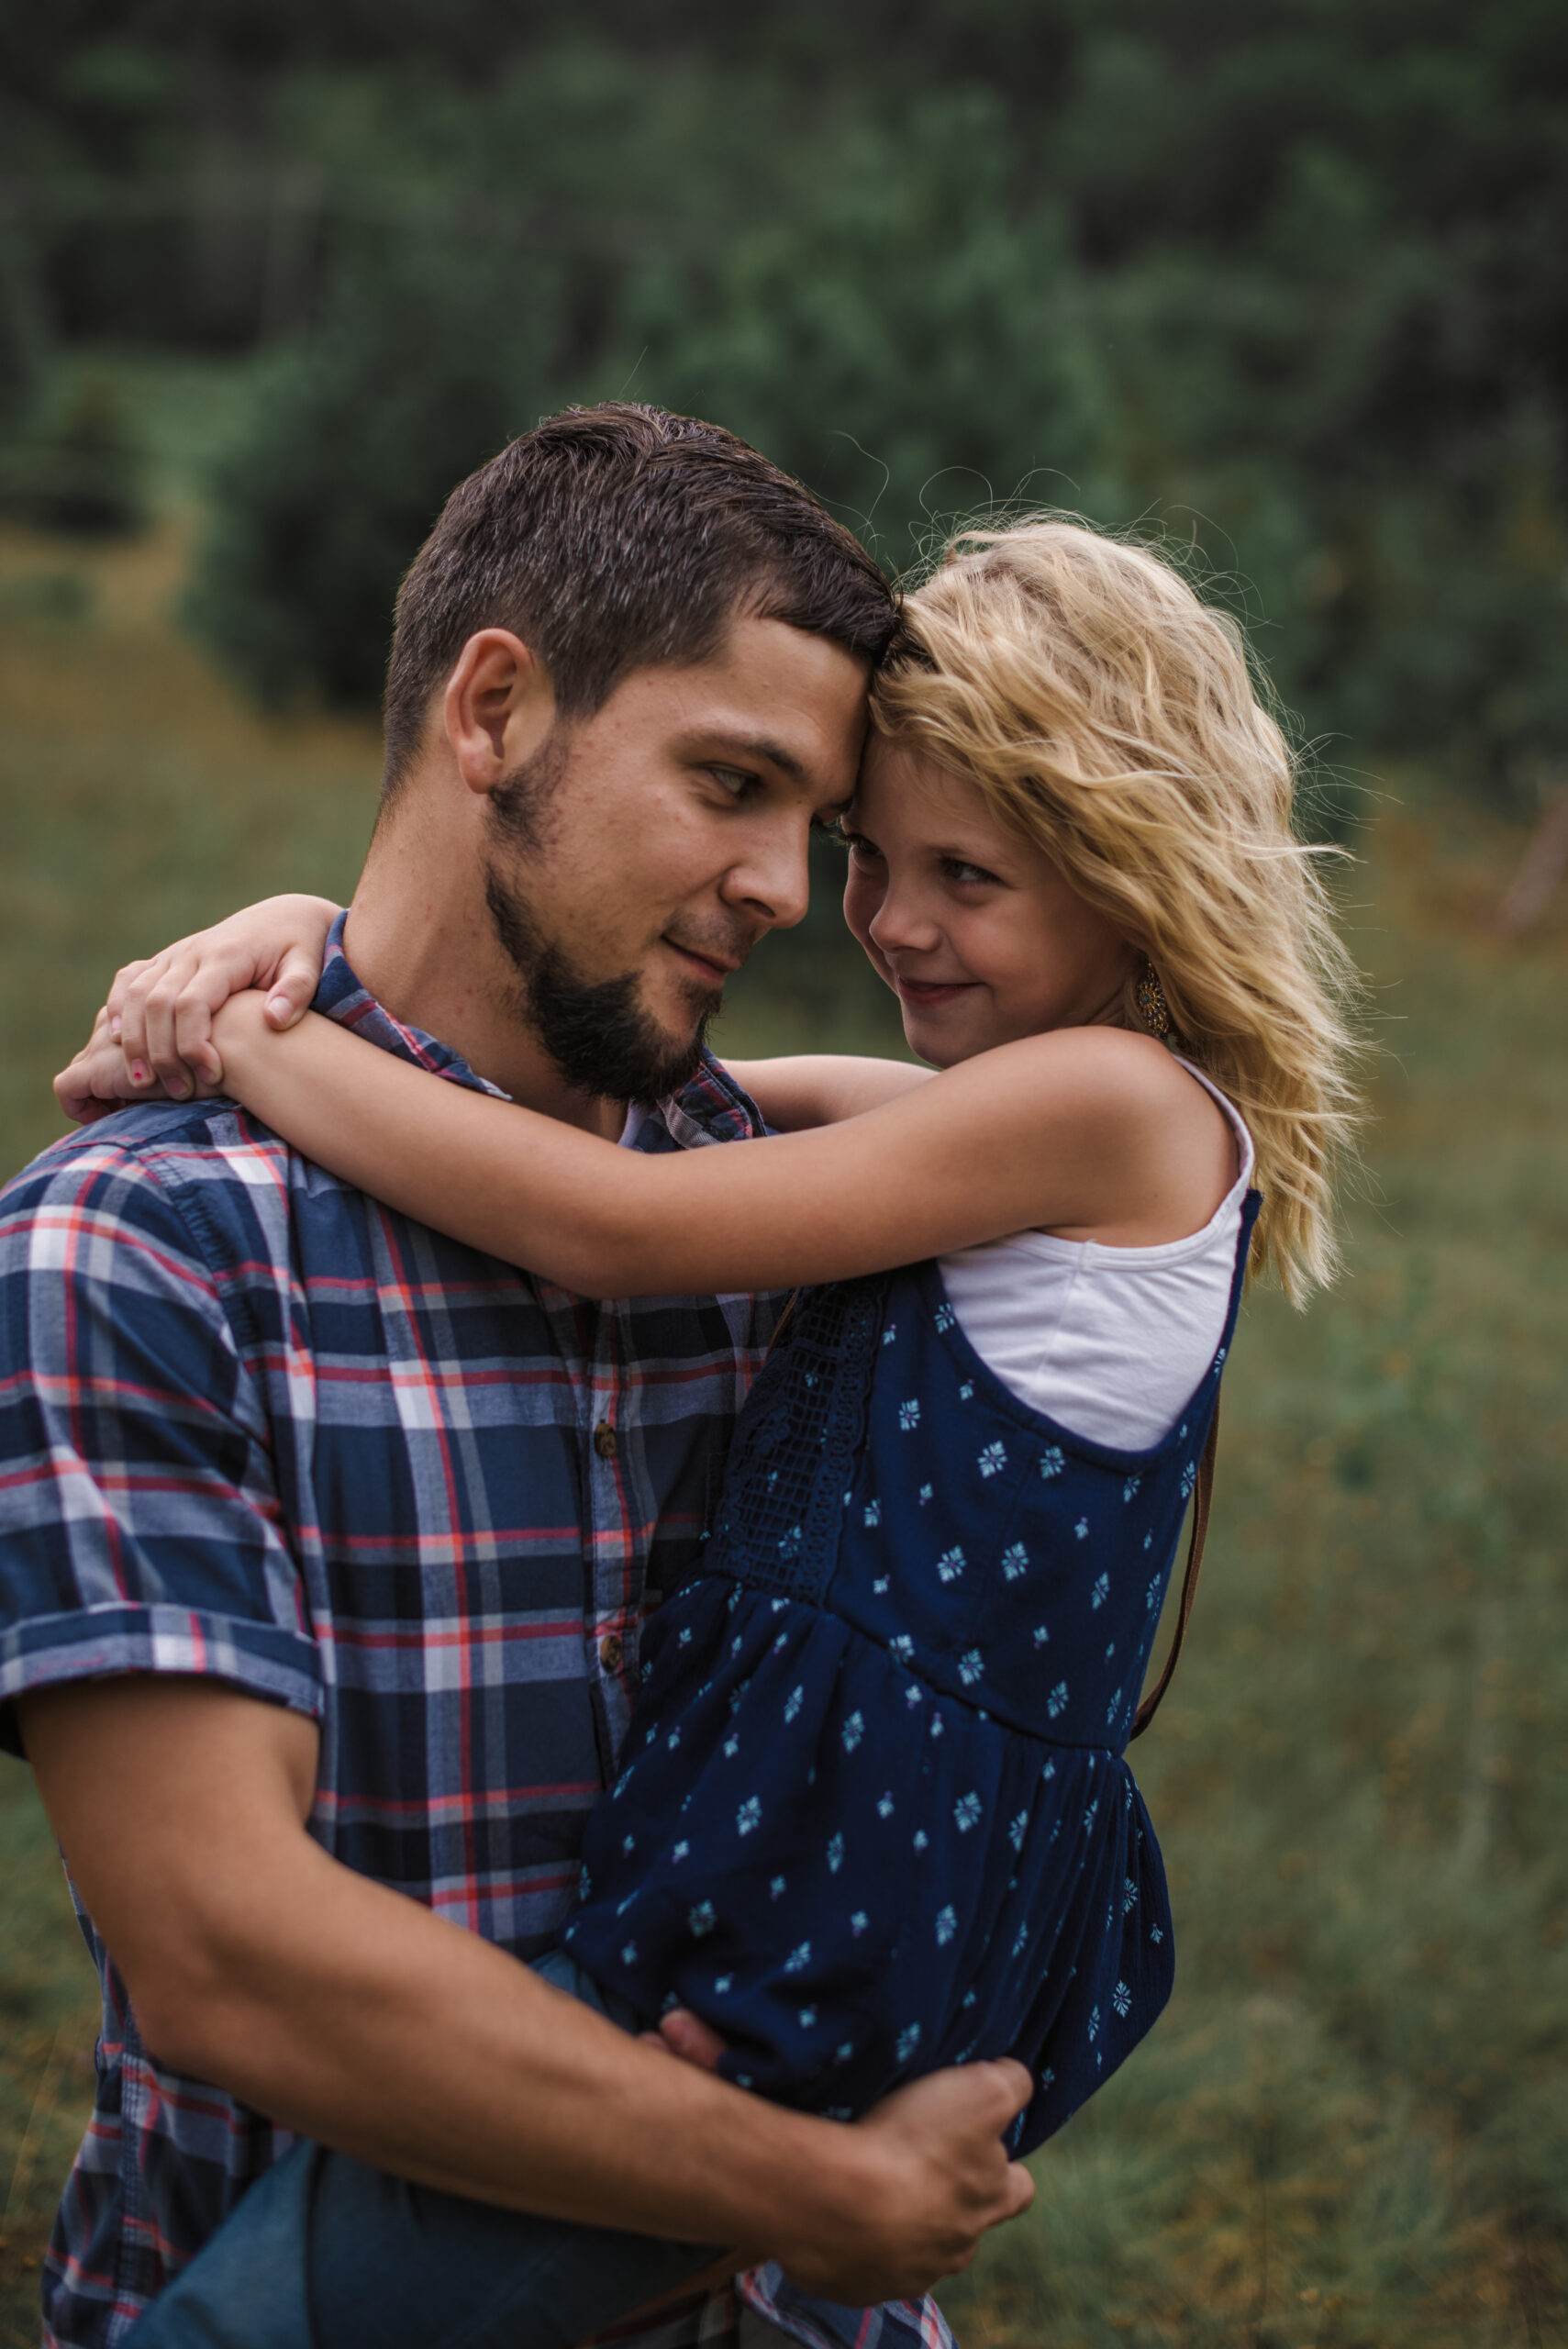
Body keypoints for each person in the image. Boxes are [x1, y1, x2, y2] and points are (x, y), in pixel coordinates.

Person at [56, 517, 1362, 2349]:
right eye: (870, 858)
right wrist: (309, 944)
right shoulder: (1001, 1119)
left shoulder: (1110, 1104)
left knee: (297, 2312)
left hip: (819, 1901)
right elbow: (653, 1100)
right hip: (795, 1880)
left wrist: (261, 1045)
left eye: (965, 873)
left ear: (1133, 869)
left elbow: (614, 1218)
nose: (887, 919)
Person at [2, 403, 1040, 2349]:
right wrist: (818, 2190)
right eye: (726, 782)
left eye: (809, 826)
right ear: (492, 711)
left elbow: (1168, 1154)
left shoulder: (798, 1229)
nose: (781, 892)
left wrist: (296, 943)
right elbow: (233, 1959)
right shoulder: (139, 1246)